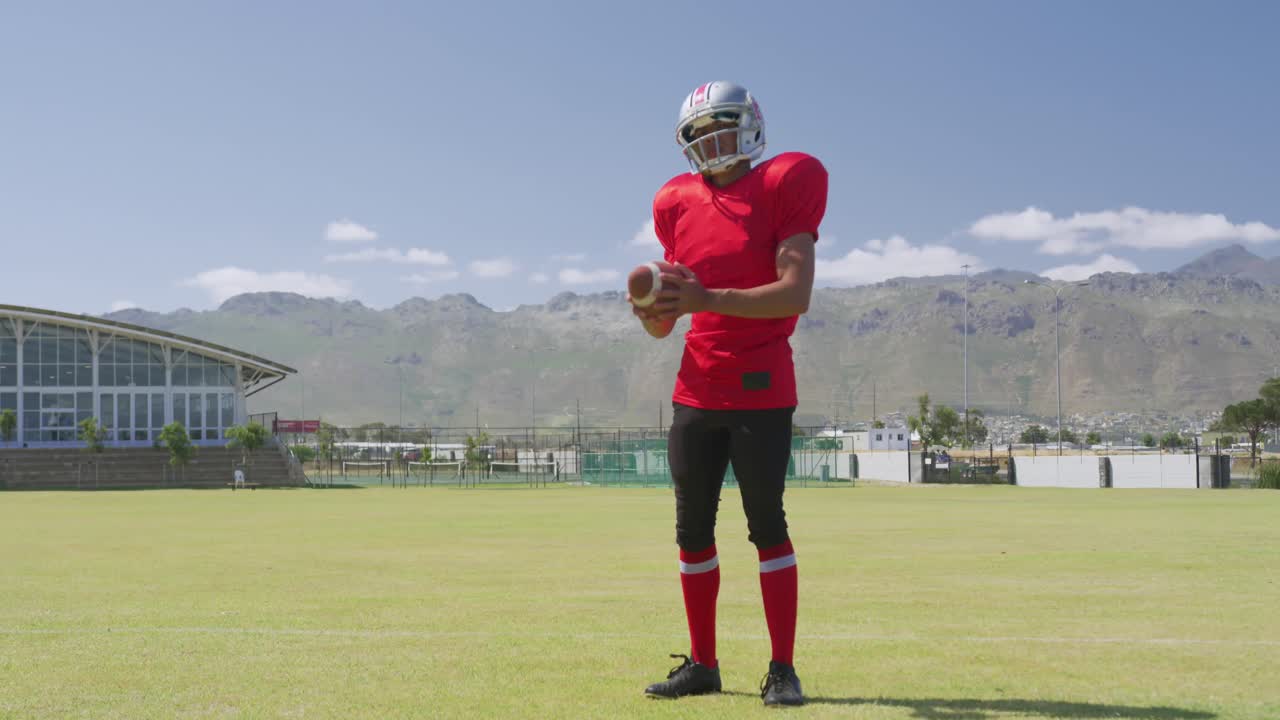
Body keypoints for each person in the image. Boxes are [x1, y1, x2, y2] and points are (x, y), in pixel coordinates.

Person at [631, 81, 827, 707]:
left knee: (766, 524)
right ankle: (704, 665)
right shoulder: (676, 201)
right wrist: (652, 312)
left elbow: (795, 293)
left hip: (762, 386)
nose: (712, 142)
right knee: (691, 530)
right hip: (697, 387)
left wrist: (703, 298)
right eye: (700, 134)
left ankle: (783, 669)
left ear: (749, 125)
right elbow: (667, 325)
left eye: (721, 127)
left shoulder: (785, 181)